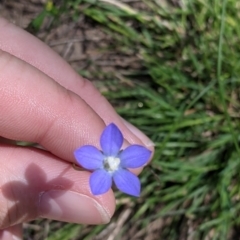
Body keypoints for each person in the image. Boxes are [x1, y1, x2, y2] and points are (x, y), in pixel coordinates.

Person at [0, 17, 154, 239]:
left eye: (111, 163)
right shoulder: (99, 157)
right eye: (109, 163)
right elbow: (86, 151)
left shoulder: (118, 170)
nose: (110, 163)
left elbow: (126, 151)